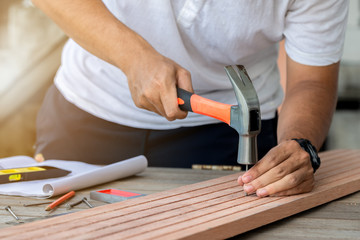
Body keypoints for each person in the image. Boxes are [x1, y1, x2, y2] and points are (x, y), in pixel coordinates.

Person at [31, 0, 349, 197]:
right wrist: (132, 56)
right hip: (89, 108)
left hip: (220, 136)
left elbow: (311, 80)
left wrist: (300, 144)